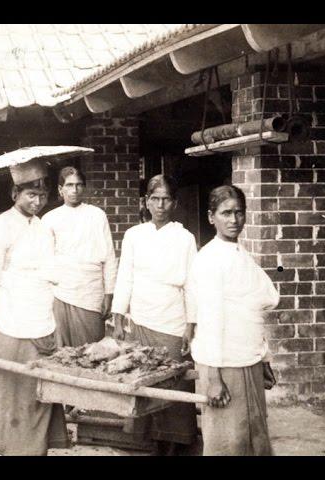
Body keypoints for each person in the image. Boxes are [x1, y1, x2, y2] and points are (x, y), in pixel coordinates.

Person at [0, 158, 70, 456]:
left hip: (42, 325)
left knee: (38, 397)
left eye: (42, 195)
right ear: (15, 194)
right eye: (30, 194)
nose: (37, 201)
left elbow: (51, 273)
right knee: (8, 397)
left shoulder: (44, 228)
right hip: (9, 326)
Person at [186, 185, 279, 456]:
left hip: (246, 358)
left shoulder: (241, 254)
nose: (234, 219)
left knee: (254, 436)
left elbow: (252, 311)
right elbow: (211, 320)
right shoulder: (210, 259)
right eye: (226, 213)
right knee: (229, 441)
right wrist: (213, 378)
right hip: (223, 363)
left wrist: (262, 358)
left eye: (239, 212)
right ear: (211, 216)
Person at [110, 174, 198, 455]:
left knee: (174, 382)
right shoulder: (134, 235)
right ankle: (150, 443)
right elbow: (125, 276)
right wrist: (119, 316)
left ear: (174, 203)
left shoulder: (185, 238)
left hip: (172, 320)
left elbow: (192, 285)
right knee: (144, 380)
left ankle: (175, 444)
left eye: (166, 199)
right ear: (146, 201)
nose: (160, 205)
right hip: (141, 320)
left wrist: (190, 324)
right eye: (155, 199)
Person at [41, 166, 117, 347]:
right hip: (61, 292)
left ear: (84, 187)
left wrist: (109, 294)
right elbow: (44, 261)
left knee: (92, 349)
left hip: (90, 292)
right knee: (62, 350)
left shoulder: (97, 215)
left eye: (79, 185)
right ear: (60, 189)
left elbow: (109, 257)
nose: (74, 190)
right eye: (69, 185)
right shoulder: (50, 219)